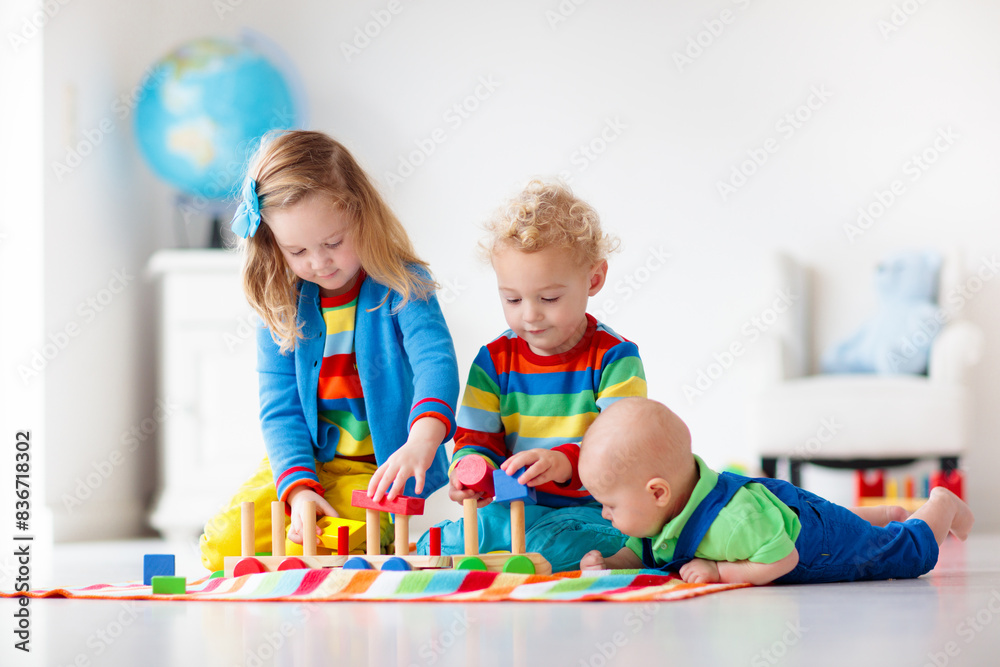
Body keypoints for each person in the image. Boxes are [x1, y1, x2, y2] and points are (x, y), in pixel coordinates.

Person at [199, 130, 459, 572]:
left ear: (361, 215)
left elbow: (436, 362)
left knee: (332, 550)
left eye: (333, 243)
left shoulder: (402, 284)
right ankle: (305, 531)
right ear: (273, 244)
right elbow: (280, 410)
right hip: (308, 467)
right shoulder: (280, 303)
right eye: (297, 250)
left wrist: (422, 440)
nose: (319, 262)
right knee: (223, 545)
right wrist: (300, 490)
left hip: (376, 472)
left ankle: (352, 542)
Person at [417, 179, 647, 572]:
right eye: (512, 298)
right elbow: (475, 439)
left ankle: (551, 557)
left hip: (592, 510)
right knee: (439, 545)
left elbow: (623, 450)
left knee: (558, 542)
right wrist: (470, 471)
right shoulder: (493, 361)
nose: (529, 315)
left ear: (593, 279)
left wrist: (562, 463)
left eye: (549, 298)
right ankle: (514, 557)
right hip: (513, 509)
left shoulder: (615, 358)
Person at [578, 398, 974, 584]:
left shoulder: (731, 524)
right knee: (840, 520)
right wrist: (611, 562)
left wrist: (720, 571)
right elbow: (643, 551)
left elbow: (783, 558)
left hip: (811, 544)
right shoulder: (664, 515)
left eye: (610, 505)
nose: (605, 514)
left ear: (657, 493)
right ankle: (883, 515)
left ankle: (940, 505)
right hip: (784, 511)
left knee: (899, 557)